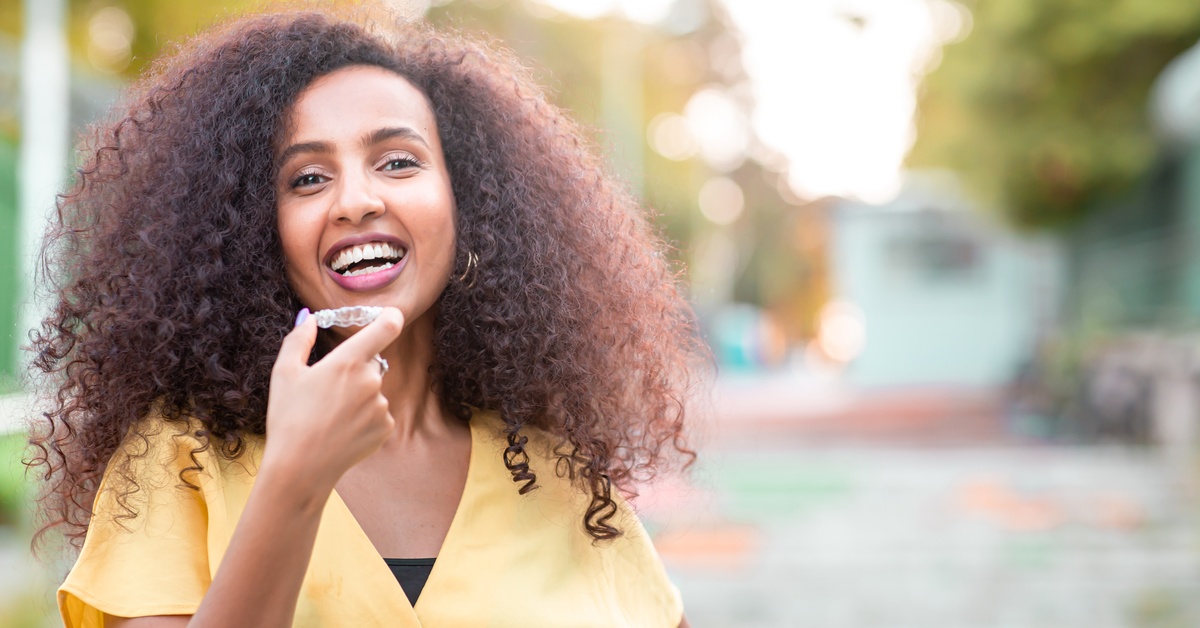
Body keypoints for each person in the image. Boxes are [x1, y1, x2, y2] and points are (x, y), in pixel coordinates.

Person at [27, 7, 707, 627]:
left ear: (466, 203)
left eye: (398, 162)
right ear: (256, 233)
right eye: (308, 179)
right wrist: (295, 478)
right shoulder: (177, 461)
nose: (355, 200)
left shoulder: (560, 478)